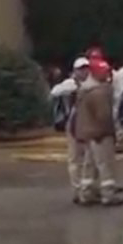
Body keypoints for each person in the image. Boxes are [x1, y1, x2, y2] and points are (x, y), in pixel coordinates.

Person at [72, 59, 123, 206]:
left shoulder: (84, 90)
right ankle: (108, 195)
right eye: (104, 71)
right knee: (105, 164)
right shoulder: (100, 92)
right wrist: (112, 132)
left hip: (87, 133)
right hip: (100, 133)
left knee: (89, 165)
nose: (107, 74)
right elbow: (104, 116)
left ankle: (86, 193)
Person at [51, 57, 92, 204]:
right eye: (81, 69)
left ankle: (87, 188)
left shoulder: (91, 83)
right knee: (75, 158)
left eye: (86, 68)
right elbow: (54, 92)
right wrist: (71, 88)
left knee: (88, 157)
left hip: (88, 124)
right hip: (73, 124)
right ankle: (77, 188)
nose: (84, 71)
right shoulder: (70, 84)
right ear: (75, 71)